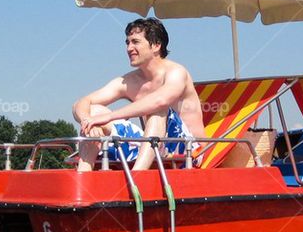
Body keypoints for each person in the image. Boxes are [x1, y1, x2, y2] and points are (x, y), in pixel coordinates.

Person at [72, 17, 206, 171]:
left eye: (135, 42)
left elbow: (160, 101)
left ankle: (138, 177)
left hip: (190, 153)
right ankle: (82, 178)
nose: (129, 48)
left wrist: (109, 116)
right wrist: (88, 121)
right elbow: (81, 102)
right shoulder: (130, 81)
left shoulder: (176, 72)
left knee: (157, 111)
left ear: (156, 45)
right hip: (152, 149)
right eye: (127, 42)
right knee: (94, 111)